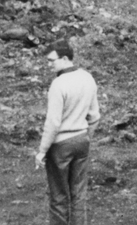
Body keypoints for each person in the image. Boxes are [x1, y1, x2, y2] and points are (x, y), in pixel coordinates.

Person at [37, 39, 100, 225]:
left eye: (51, 61)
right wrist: (87, 137)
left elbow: (53, 122)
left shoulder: (58, 84)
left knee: (58, 196)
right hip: (82, 140)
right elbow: (95, 116)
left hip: (60, 146)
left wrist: (42, 150)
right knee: (78, 194)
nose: (49, 65)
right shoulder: (88, 77)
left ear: (65, 58)